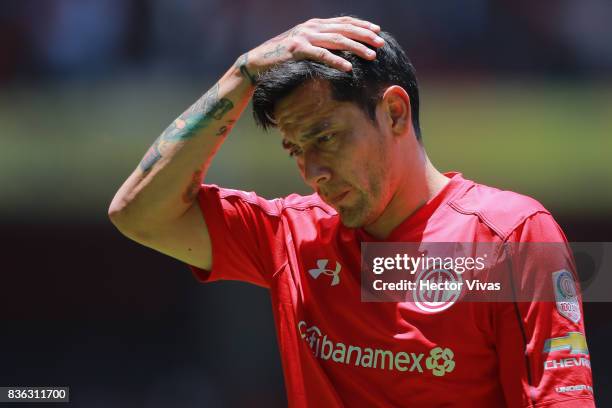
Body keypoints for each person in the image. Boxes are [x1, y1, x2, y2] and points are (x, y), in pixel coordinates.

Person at [109, 16, 595, 407]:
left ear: (395, 113)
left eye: (325, 137)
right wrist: (242, 74)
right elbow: (138, 212)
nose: (312, 171)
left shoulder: (512, 238)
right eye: (295, 148)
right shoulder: (293, 237)